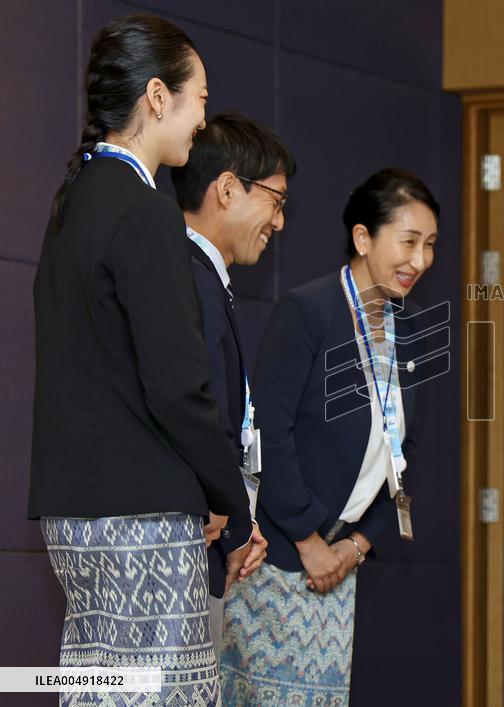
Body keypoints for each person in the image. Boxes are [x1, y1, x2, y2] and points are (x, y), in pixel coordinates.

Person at [28, 14, 253, 706]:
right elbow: (178, 387)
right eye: (200, 100)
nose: (202, 122)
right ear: (158, 98)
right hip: (143, 522)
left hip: (73, 515)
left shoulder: (72, 205)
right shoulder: (146, 210)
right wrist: (233, 503)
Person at [219, 168, 441, 705]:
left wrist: (357, 546)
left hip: (340, 564)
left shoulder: (411, 332)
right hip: (277, 557)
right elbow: (267, 431)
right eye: (408, 241)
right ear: (363, 238)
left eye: (430, 245)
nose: (420, 260)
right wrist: (310, 542)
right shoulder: (309, 310)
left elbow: (405, 454)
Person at [170, 109, 298, 657]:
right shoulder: (186, 280)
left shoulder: (201, 278)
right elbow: (193, 412)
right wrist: (235, 526)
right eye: (277, 201)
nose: (280, 222)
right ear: (226, 189)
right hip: (186, 539)